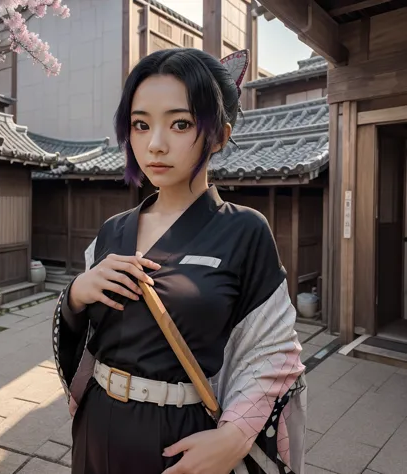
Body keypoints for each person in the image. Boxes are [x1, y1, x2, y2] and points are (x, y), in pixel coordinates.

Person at [52, 48, 307, 474]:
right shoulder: (113, 230)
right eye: (140, 124)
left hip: (182, 438)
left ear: (219, 135)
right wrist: (76, 296)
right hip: (98, 423)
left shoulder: (245, 230)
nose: (155, 143)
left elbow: (275, 350)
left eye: (181, 123)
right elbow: (83, 333)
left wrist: (234, 436)